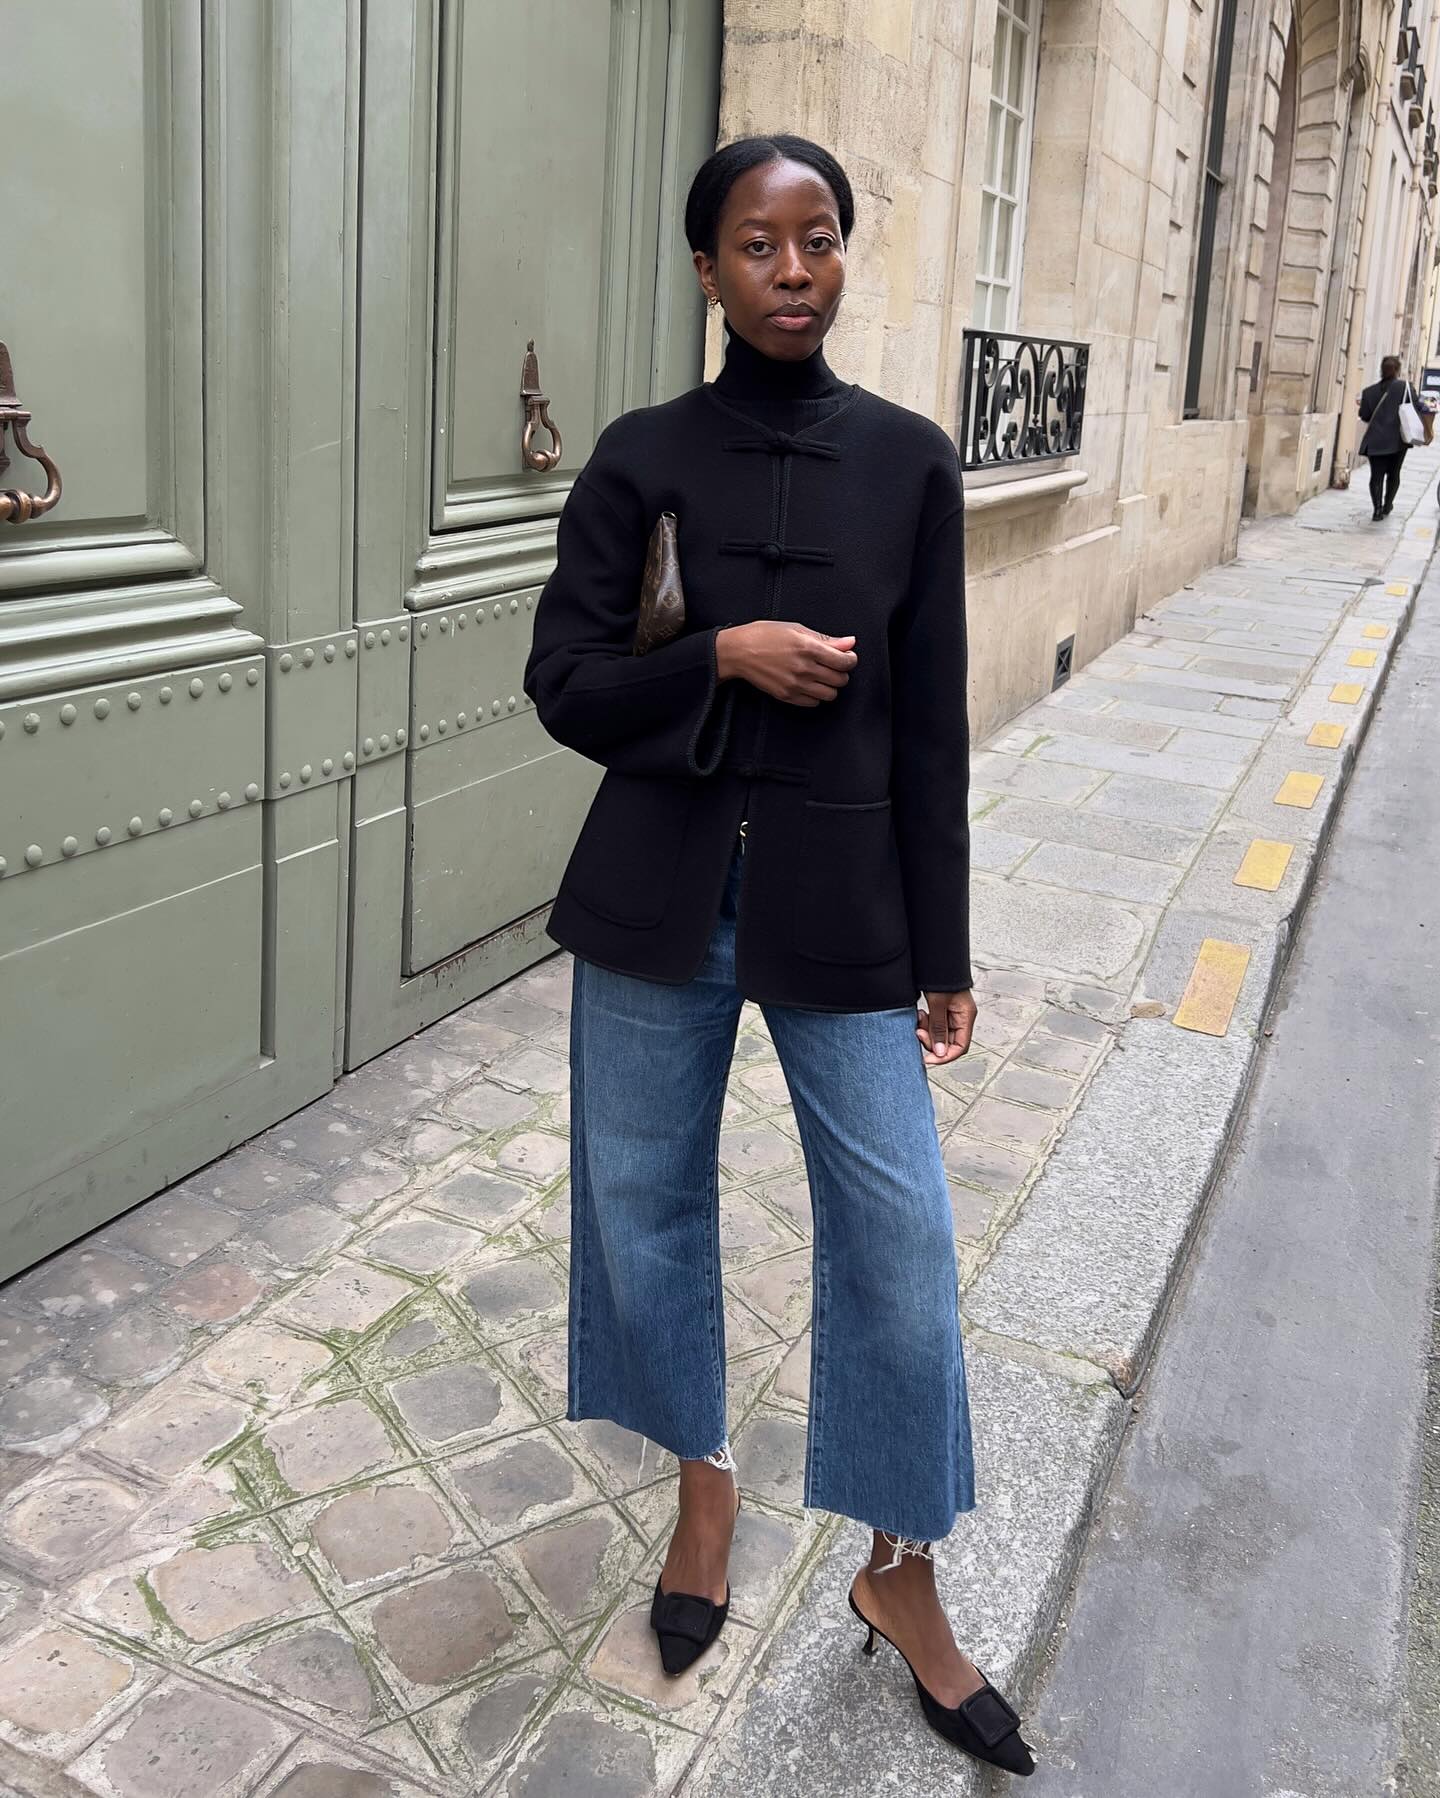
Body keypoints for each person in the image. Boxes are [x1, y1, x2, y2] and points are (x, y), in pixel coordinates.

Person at [522, 135, 1034, 1777]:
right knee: (644, 1202)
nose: (795, 269)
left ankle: (904, 1574)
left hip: (848, 914)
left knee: (897, 1237)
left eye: (818, 239)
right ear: (707, 268)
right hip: (659, 898)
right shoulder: (639, 455)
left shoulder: (909, 462)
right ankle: (701, 1489)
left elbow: (934, 725)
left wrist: (943, 944)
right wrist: (720, 659)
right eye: (760, 243)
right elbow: (566, 683)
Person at [1358, 355, 1432, 520]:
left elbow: (1364, 416)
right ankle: (1387, 505)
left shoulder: (1368, 392)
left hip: (1375, 441)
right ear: (1398, 370)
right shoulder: (1405, 387)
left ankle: (1376, 510)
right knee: (1394, 473)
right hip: (1398, 441)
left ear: (1381, 371)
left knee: (1376, 476)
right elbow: (1419, 405)